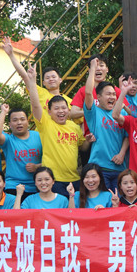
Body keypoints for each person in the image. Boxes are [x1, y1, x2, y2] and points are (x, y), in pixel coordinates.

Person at [23, 58, 91, 197]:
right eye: (56, 108)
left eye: (64, 108)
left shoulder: (74, 126)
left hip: (74, 179)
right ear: (49, 112)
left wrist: (89, 140)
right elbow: (35, 104)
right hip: (53, 180)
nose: (61, 111)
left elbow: (83, 148)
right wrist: (32, 80)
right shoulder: (46, 124)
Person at [83, 58, 128, 192]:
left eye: (114, 94)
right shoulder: (94, 113)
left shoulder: (121, 113)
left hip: (120, 167)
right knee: (103, 201)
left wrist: (121, 154)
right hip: (99, 168)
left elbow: (127, 136)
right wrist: (93, 68)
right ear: (99, 97)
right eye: (108, 94)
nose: (112, 97)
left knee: (118, 201)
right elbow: (88, 92)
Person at [3, 36, 72, 117]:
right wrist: (11, 55)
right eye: (47, 78)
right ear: (43, 83)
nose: (51, 79)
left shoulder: (70, 102)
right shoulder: (39, 92)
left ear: (60, 80)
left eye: (53, 77)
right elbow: (24, 76)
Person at [0, 104, 42, 199]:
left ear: (28, 122)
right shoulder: (8, 140)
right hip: (13, 186)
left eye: (22, 119)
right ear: (10, 124)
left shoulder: (39, 136)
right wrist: (3, 112)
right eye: (15, 120)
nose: (19, 123)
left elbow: (50, 159)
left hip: (38, 185)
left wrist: (37, 166)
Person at [68, 53, 122, 122]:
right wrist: (91, 112)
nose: (98, 68)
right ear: (89, 70)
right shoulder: (83, 90)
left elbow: (127, 110)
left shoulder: (115, 91)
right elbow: (73, 113)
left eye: (101, 65)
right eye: (95, 66)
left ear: (107, 69)